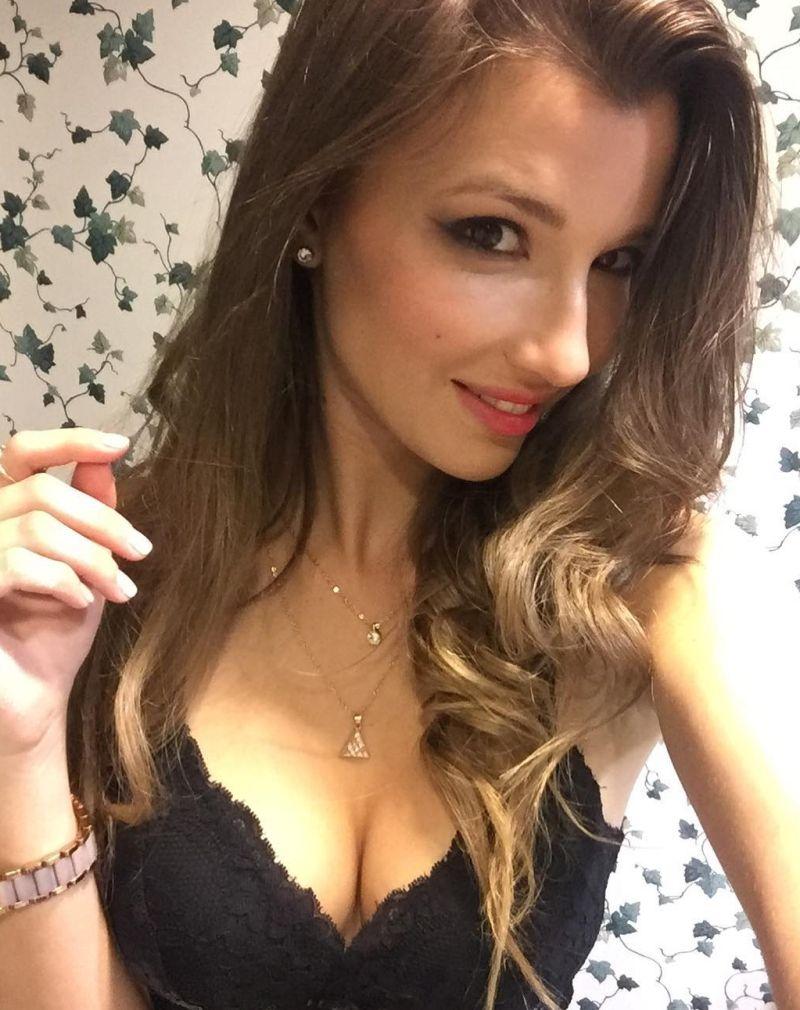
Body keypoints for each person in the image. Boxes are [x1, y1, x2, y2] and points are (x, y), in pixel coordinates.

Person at [0, 1, 782, 1009]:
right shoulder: (113, 566)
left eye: (616, 263)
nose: (567, 351)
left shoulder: (642, 583)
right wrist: (19, 743)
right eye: (492, 235)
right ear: (316, 202)